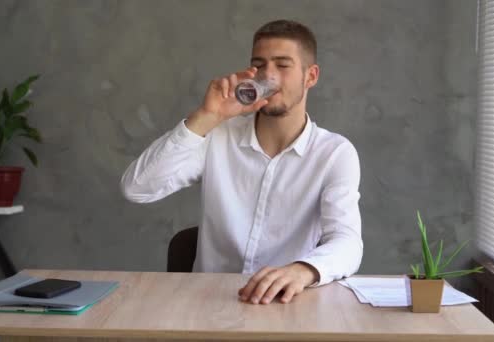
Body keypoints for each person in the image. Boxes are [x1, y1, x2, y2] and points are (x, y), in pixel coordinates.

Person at [121, 20, 362, 305]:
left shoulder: (334, 153)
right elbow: (137, 189)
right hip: (207, 306)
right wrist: (206, 117)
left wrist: (303, 271)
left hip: (285, 307)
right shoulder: (217, 135)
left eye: (282, 65)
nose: (267, 75)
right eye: (259, 65)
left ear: (310, 77)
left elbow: (347, 242)